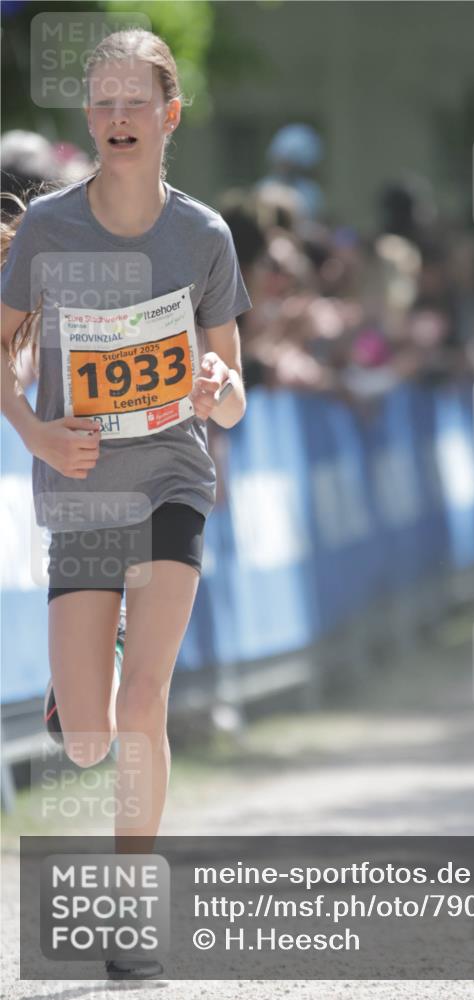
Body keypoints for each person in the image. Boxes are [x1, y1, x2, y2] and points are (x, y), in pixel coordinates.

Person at [0, 29, 251, 978]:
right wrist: (35, 433)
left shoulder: (202, 237)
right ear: (89, 119)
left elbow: (232, 396)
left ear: (169, 114)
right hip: (77, 486)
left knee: (146, 698)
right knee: (94, 734)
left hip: (172, 479)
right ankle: (78, 697)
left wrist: (213, 382)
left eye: (134, 101)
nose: (116, 118)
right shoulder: (54, 230)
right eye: (101, 102)